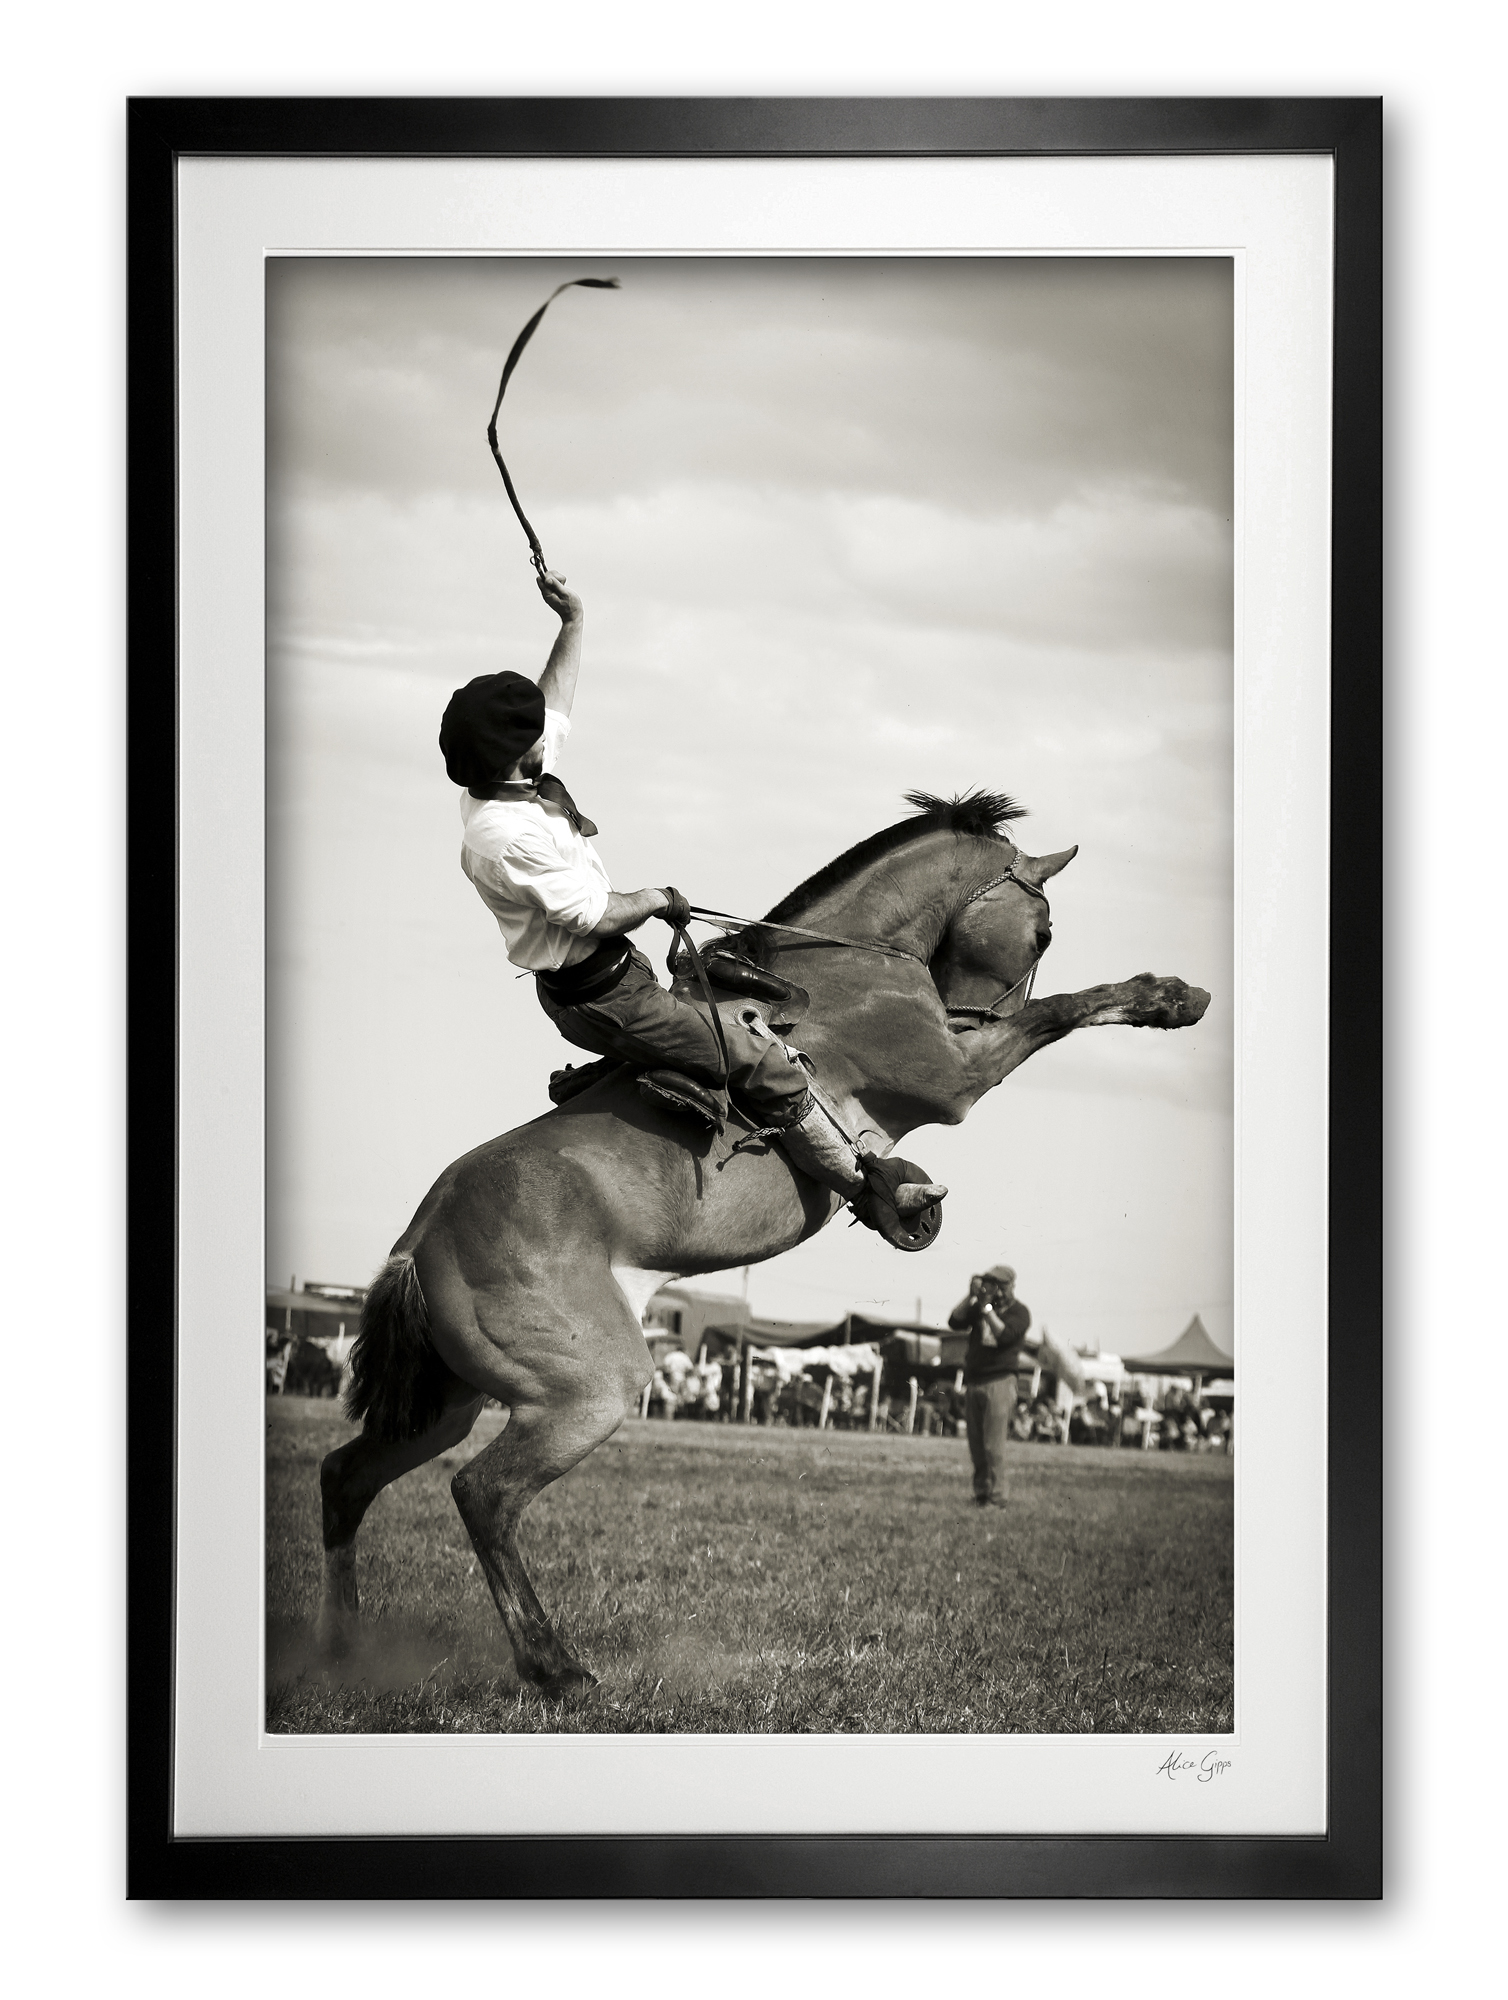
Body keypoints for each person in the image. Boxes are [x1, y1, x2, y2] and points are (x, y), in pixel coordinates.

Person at [438, 572, 945, 1226]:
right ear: (516, 755)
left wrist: (572, 623)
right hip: (608, 996)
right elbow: (593, 914)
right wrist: (656, 897)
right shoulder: (504, 832)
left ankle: (619, 1072)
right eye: (533, 733)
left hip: (605, 978)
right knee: (766, 1063)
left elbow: (552, 709)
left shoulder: (504, 779)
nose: (548, 729)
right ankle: (873, 1196)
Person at [948, 1265, 1035, 1507]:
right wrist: (971, 1296)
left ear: (1009, 1286)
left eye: (999, 1285)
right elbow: (954, 1321)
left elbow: (1004, 1335)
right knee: (976, 1445)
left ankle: (998, 1498)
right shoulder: (982, 1307)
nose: (995, 1290)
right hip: (975, 1380)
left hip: (1000, 1381)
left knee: (993, 1445)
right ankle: (982, 1494)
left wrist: (986, 1308)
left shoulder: (1020, 1312)